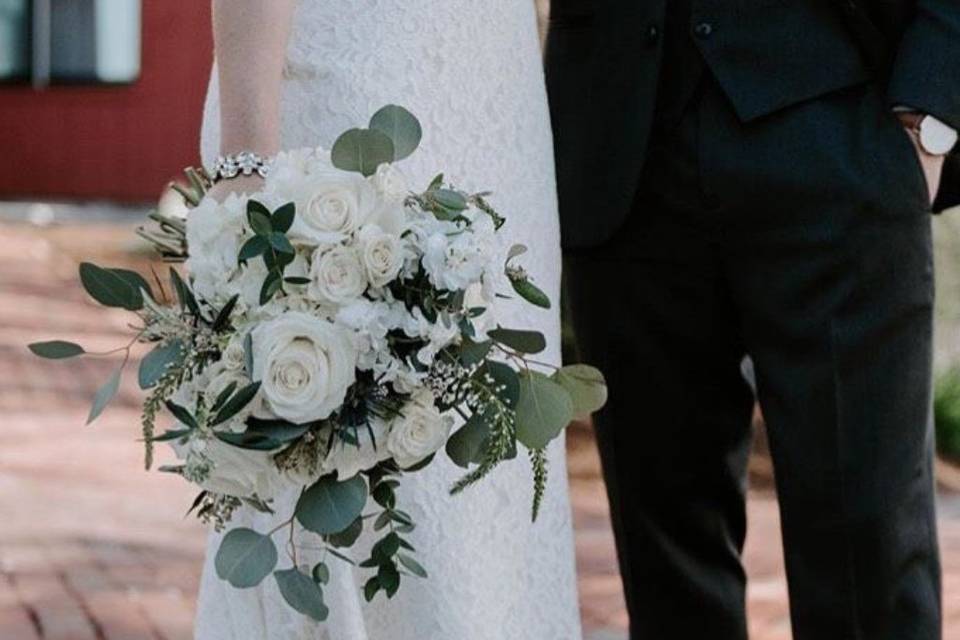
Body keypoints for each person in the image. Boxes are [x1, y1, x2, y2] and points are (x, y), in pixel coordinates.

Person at [550, 1, 957, 638]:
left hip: (842, 126)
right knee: (667, 562)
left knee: (869, 548)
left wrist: (934, 109)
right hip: (622, 139)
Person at [195, 1, 581, 638]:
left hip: (498, 110)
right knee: (362, 471)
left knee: (489, 493)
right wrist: (246, 160)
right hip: (360, 95)